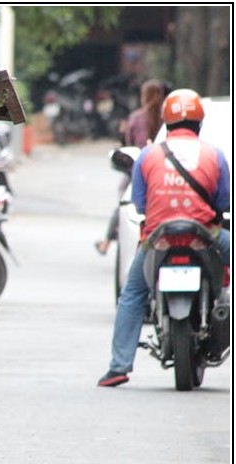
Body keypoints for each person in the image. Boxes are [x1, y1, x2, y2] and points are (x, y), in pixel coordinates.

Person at [98, 89, 231, 387]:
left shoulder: (148, 154)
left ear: (166, 122)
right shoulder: (214, 154)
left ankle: (118, 367)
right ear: (199, 122)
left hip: (159, 237)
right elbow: (224, 203)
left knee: (132, 294)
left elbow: (140, 205)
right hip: (205, 233)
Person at [95, 79, 168, 255]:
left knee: (125, 203)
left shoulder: (136, 118)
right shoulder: (166, 118)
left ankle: (106, 242)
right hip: (164, 170)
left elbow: (127, 143)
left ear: (144, 96)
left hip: (139, 169)